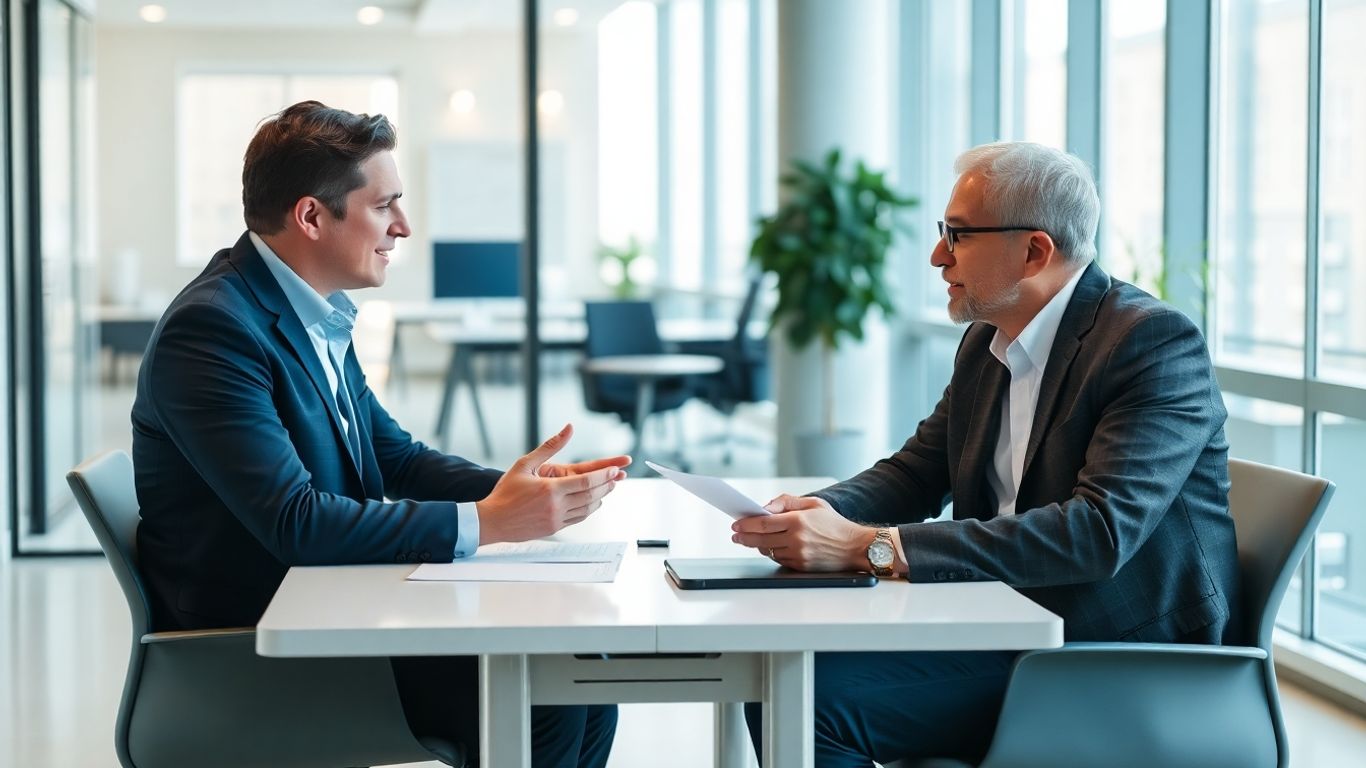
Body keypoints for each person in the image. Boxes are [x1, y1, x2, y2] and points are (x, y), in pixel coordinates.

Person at [132, 100, 627, 768]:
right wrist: (488, 521)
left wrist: (522, 494)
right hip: (265, 647)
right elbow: (298, 523)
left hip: (335, 604)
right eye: (384, 204)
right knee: (554, 689)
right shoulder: (215, 330)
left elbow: (393, 456)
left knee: (585, 671)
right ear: (311, 216)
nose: (404, 225)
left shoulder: (315, 310)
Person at [731, 141, 1239, 767]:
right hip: (1001, 616)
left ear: (1034, 251)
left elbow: (1098, 532)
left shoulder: (1151, 344)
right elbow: (918, 469)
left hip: (1108, 654)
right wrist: (817, 511)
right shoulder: (988, 340)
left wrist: (870, 546)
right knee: (780, 676)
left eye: (959, 235)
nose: (937, 255)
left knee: (802, 699)